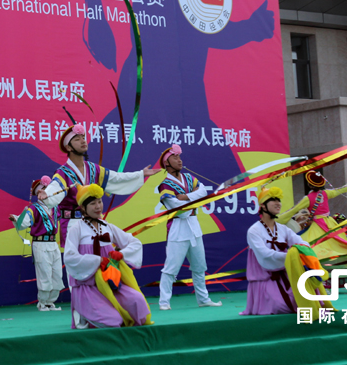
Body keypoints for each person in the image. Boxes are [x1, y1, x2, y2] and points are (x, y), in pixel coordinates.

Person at [40, 124, 157, 246]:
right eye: (77, 139)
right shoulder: (63, 173)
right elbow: (55, 187)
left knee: (98, 258)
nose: (83, 141)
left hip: (93, 221)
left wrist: (140, 174)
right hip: (72, 223)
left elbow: (116, 178)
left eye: (83, 138)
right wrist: (46, 194)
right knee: (79, 261)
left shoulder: (93, 169)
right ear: (68, 147)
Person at [64, 183, 152, 328]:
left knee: (138, 302)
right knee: (113, 321)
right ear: (83, 208)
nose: (98, 206)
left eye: (100, 201)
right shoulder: (76, 229)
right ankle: (83, 313)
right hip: (88, 287)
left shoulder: (107, 226)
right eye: (93, 203)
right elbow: (69, 257)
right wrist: (98, 260)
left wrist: (121, 254)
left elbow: (135, 243)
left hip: (111, 283)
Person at [240, 185, 331, 317]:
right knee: (280, 306)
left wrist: (305, 251)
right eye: (273, 200)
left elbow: (300, 242)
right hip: (267, 278)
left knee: (302, 300)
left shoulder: (283, 229)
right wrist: (291, 256)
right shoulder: (254, 230)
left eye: (279, 200)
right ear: (263, 206)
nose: (278, 203)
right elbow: (265, 255)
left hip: (286, 274)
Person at [156, 144, 221, 310]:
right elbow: (181, 211)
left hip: (194, 226)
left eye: (179, 157)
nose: (179, 160)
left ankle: (203, 299)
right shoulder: (165, 185)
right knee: (171, 268)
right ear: (167, 163)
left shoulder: (189, 178)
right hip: (178, 228)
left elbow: (204, 191)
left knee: (200, 266)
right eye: (175, 157)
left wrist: (186, 197)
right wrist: (194, 199)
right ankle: (164, 302)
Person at [277, 171, 347, 273]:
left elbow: (292, 211)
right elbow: (342, 189)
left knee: (306, 245)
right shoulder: (326, 193)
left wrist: (276, 219)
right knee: (344, 246)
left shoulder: (307, 198)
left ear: (309, 184)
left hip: (317, 226)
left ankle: (315, 270)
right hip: (331, 225)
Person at [10, 176, 63, 311]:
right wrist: (17, 219)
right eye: (42, 190)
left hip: (53, 244)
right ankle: (42, 302)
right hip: (40, 244)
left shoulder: (56, 208)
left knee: (57, 273)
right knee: (44, 273)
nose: (44, 193)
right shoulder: (33, 209)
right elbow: (24, 223)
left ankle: (51, 302)